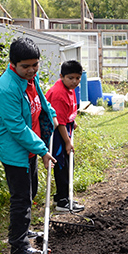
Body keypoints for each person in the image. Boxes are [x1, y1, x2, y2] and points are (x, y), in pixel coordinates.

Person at [0, 37, 58, 254]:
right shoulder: (6, 88)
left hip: (30, 146)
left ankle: (23, 229)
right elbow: (17, 128)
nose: (31, 70)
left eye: (35, 64)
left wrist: (52, 115)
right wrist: (42, 150)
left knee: (31, 191)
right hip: (15, 150)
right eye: (26, 66)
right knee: (21, 197)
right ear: (13, 64)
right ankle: (18, 246)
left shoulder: (30, 79)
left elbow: (40, 100)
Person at [45, 60, 85, 213]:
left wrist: (72, 121)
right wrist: (67, 142)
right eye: (71, 78)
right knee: (62, 165)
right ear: (61, 76)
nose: (75, 81)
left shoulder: (70, 88)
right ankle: (62, 202)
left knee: (69, 164)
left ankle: (62, 197)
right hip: (56, 133)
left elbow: (67, 113)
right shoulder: (59, 93)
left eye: (78, 78)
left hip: (65, 127)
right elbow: (59, 122)